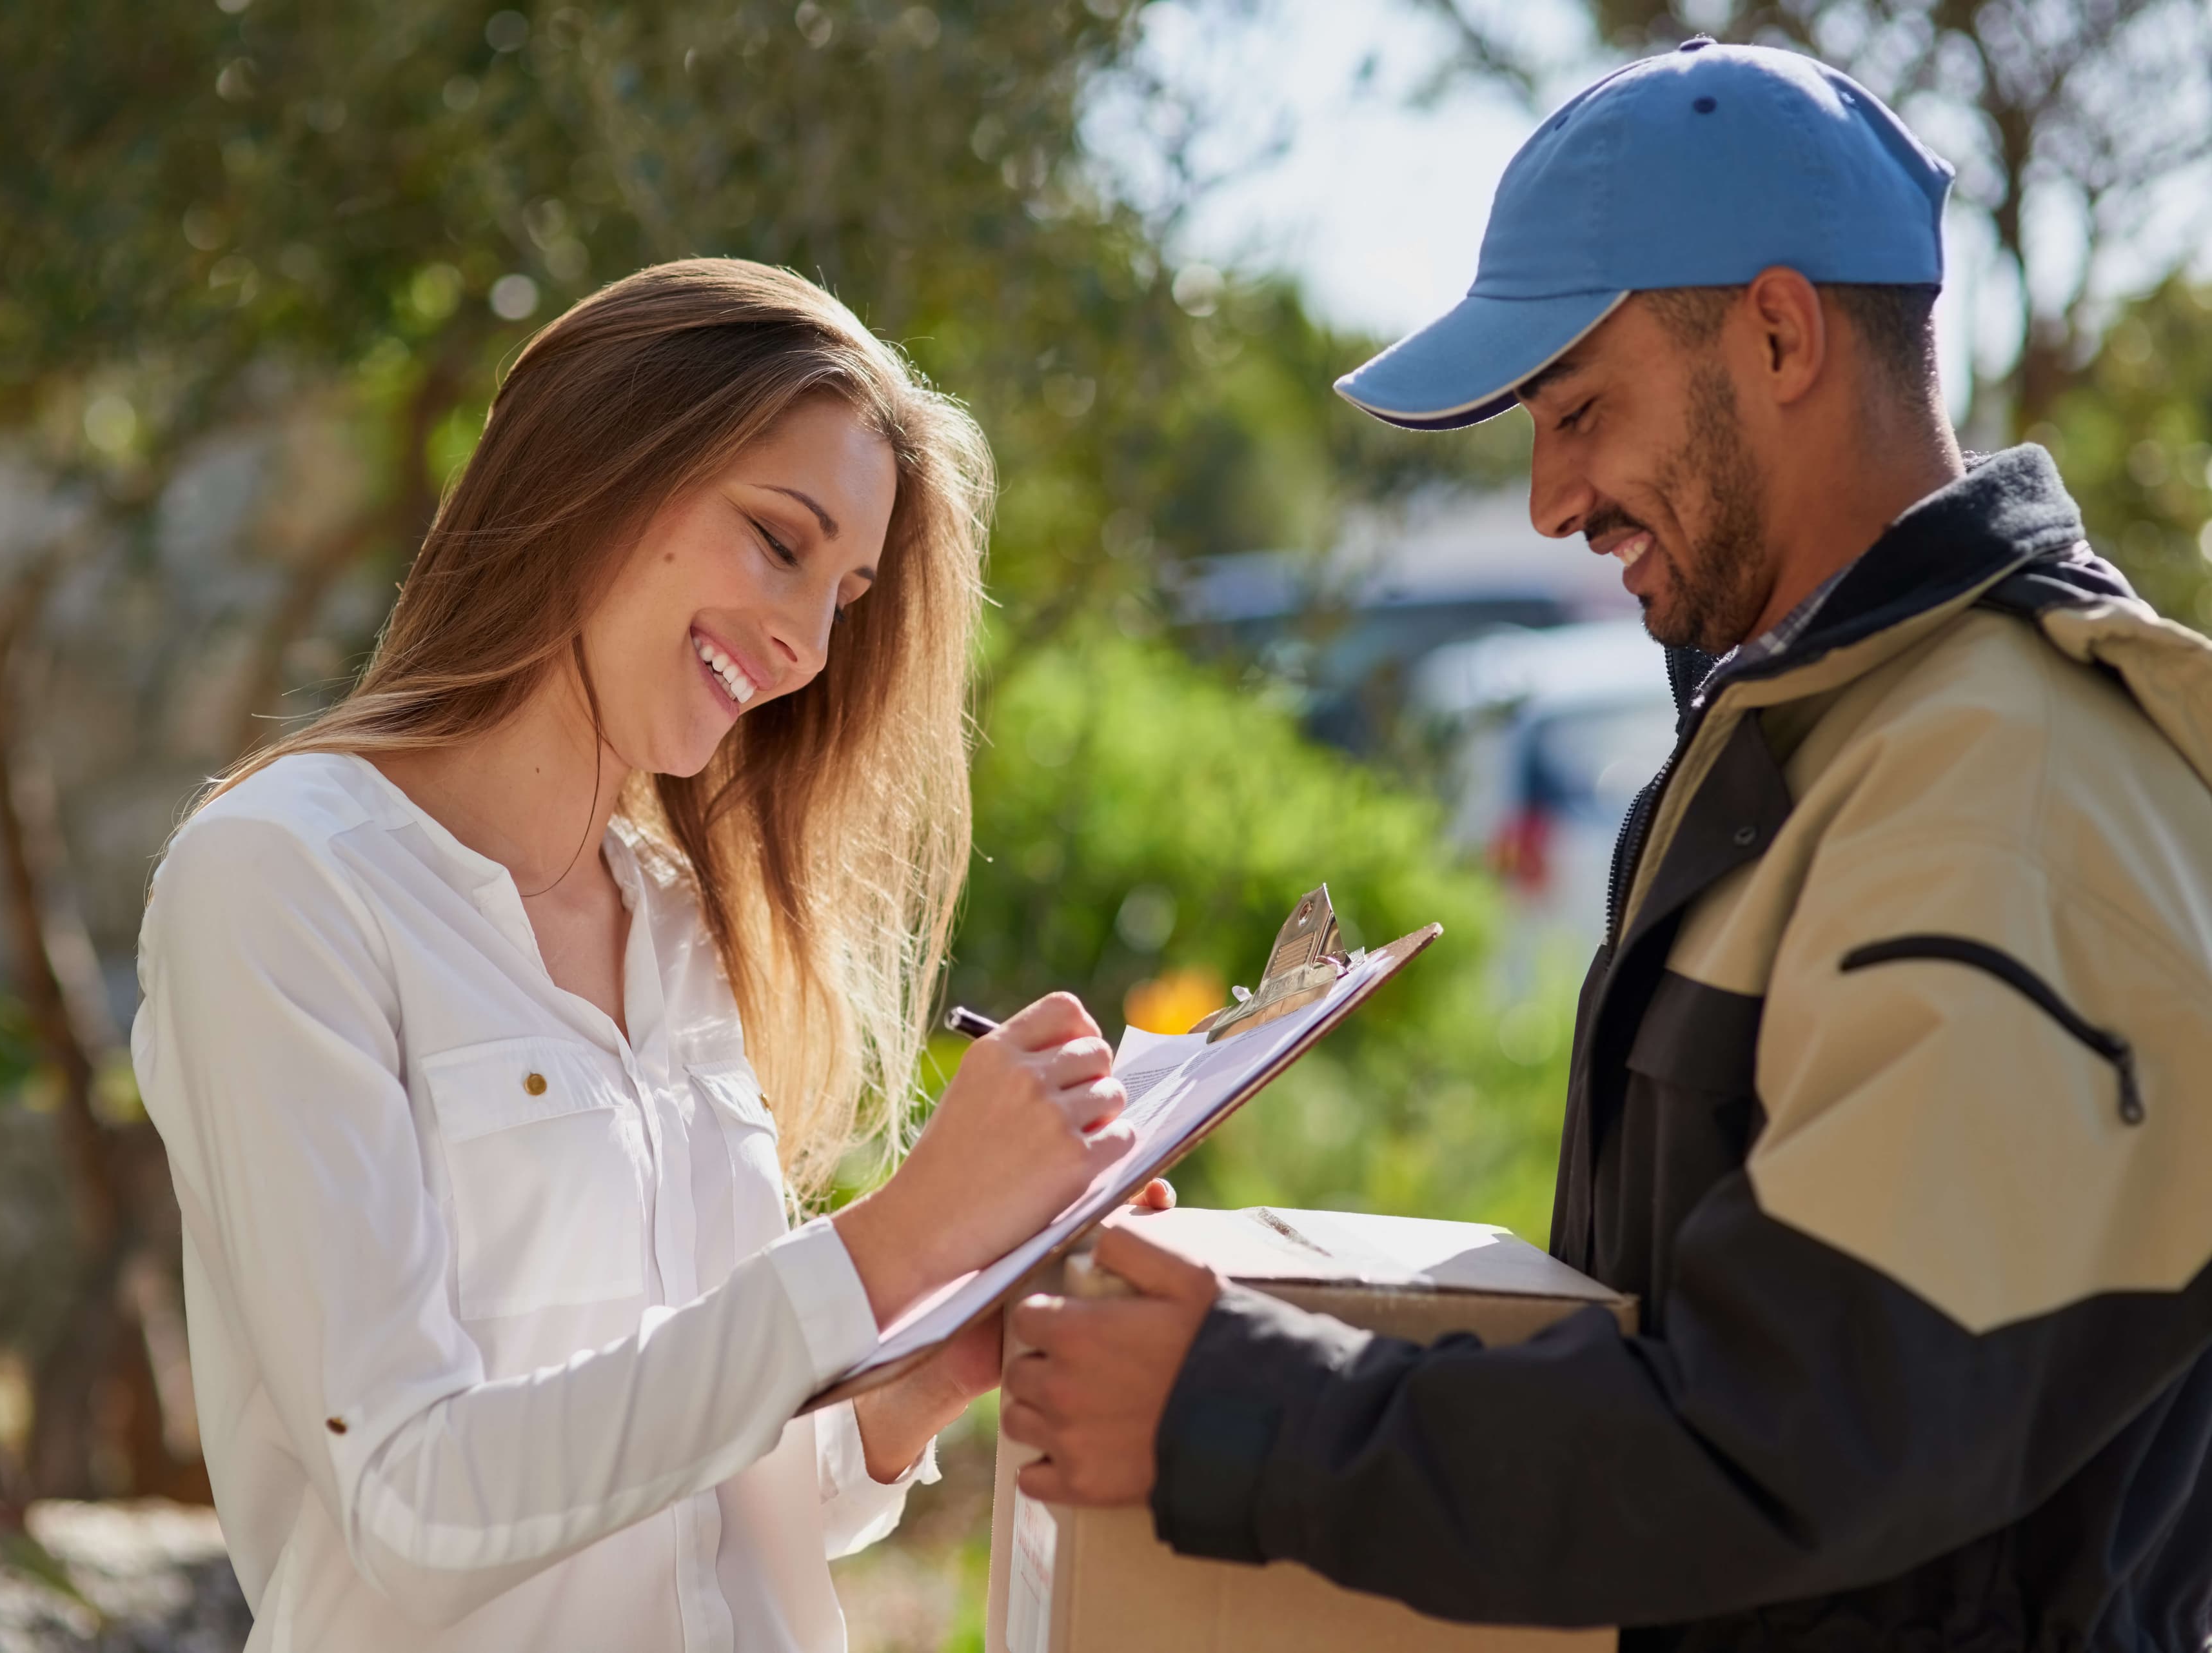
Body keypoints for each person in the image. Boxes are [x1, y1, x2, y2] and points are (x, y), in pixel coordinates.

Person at [1000, 41, 2212, 1650]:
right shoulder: (1844, 738)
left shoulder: (2002, 788)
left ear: (1779, 334)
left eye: (1579, 408)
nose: (1548, 498)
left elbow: (1797, 1435)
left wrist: (1246, 1412)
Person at [135, 258, 1163, 1652]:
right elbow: (416, 1504)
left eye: (847, 594)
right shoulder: (283, 878)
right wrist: (893, 1240)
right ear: (603, 467)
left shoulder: (685, 922)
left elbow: (709, 1483)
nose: (807, 644)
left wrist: (921, 1369)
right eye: (780, 541)